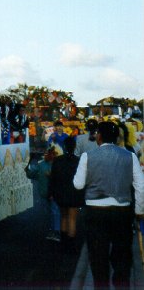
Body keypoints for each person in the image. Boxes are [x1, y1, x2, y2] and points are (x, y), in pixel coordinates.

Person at [73, 121, 144, 288]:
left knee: (98, 257)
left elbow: (78, 184)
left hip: (95, 212)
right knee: (122, 257)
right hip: (122, 211)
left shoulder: (87, 156)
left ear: (99, 136)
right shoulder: (130, 156)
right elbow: (140, 186)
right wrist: (139, 209)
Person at [49, 137, 84, 252]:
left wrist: (51, 193)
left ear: (64, 146)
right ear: (74, 147)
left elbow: (53, 178)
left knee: (63, 217)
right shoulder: (79, 161)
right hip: (74, 193)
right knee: (72, 219)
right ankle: (71, 246)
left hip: (61, 193)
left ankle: (63, 244)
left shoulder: (58, 160)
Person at [25, 146, 61, 242]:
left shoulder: (57, 165)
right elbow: (32, 174)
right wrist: (27, 169)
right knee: (50, 212)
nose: (52, 155)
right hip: (45, 193)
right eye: (51, 153)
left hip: (54, 193)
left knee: (54, 211)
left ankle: (56, 231)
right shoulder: (42, 165)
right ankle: (52, 230)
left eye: (54, 153)